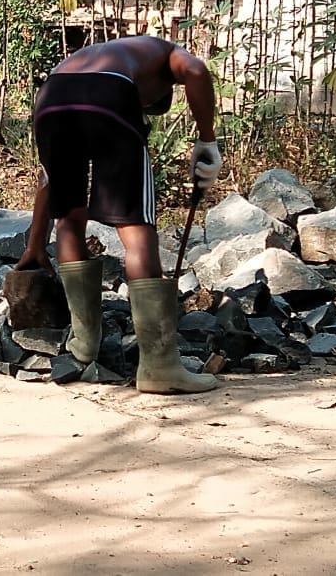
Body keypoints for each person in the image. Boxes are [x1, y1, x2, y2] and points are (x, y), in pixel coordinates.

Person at [16, 35, 223, 394]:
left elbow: (49, 181)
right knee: (136, 228)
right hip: (106, 94)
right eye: (145, 105)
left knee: (69, 217)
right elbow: (195, 70)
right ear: (160, 86)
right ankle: (159, 367)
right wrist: (207, 140)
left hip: (50, 98)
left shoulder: (106, 55)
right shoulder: (167, 52)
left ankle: (82, 350)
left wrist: (35, 245)